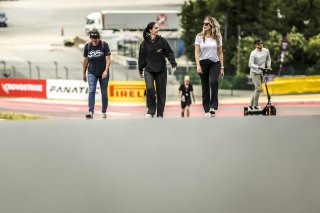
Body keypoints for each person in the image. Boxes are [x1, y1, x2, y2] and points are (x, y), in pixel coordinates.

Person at [138, 22, 177, 118]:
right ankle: (151, 110)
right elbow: (141, 58)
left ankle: (160, 113)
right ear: (150, 30)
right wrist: (140, 69)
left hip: (161, 70)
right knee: (150, 88)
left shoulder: (162, 41)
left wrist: (173, 63)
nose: (158, 29)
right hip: (149, 70)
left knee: (161, 92)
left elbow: (169, 53)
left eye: (158, 28)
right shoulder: (144, 43)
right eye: (156, 28)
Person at [194, 16, 224, 117]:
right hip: (202, 63)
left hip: (214, 63)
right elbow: (197, 52)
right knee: (205, 86)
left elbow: (220, 53)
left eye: (206, 24)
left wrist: (222, 67)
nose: (204, 25)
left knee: (214, 82)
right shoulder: (199, 36)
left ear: (212, 25)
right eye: (203, 23)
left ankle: (213, 106)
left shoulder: (218, 37)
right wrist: (198, 65)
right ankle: (206, 109)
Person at [82, 29, 111, 119]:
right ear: (90, 38)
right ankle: (90, 111)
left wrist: (106, 71)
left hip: (103, 72)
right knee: (91, 90)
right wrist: (83, 73)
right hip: (92, 72)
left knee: (104, 92)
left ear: (99, 38)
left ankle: (104, 112)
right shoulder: (87, 46)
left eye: (96, 39)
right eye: (92, 39)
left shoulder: (104, 45)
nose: (94, 41)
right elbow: (85, 60)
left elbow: (108, 59)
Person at [248, 38, 271, 110]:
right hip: (254, 72)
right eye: (258, 44)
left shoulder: (266, 51)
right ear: (255, 45)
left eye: (261, 43)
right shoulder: (253, 53)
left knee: (257, 89)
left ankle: (251, 105)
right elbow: (250, 64)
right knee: (258, 88)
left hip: (261, 72)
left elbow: (268, 59)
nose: (260, 44)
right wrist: (258, 67)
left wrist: (268, 66)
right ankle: (255, 105)